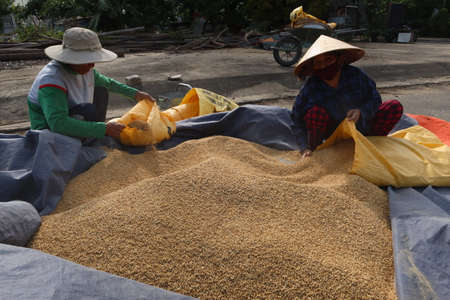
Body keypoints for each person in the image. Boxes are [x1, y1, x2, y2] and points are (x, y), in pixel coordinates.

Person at [28, 27, 155, 140]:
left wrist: (136, 94)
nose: (92, 65)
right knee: (87, 109)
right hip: (48, 133)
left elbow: (109, 84)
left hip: (74, 114)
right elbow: (58, 123)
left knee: (101, 90)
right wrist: (103, 129)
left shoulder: (87, 70)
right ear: (71, 59)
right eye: (87, 61)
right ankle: (89, 135)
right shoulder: (51, 81)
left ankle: (90, 135)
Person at [291, 35, 403, 158]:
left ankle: (371, 145)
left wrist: (361, 111)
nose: (323, 65)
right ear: (314, 67)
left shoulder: (355, 75)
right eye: (318, 63)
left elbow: (375, 99)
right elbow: (297, 120)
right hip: (331, 135)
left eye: (328, 59)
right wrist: (304, 147)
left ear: (339, 59)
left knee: (394, 106)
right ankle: (315, 151)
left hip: (362, 129)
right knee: (315, 113)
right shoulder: (311, 87)